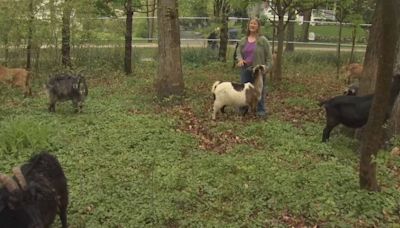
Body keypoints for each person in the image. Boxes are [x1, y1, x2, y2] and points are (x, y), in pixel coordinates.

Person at [236, 18, 272, 118]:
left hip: (258, 71)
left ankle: (261, 110)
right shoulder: (243, 40)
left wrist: (266, 68)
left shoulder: (263, 40)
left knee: (259, 90)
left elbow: (269, 57)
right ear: (248, 25)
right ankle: (243, 109)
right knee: (243, 90)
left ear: (258, 26)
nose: (252, 25)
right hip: (246, 69)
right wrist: (240, 60)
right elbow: (238, 52)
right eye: (251, 23)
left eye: (255, 24)